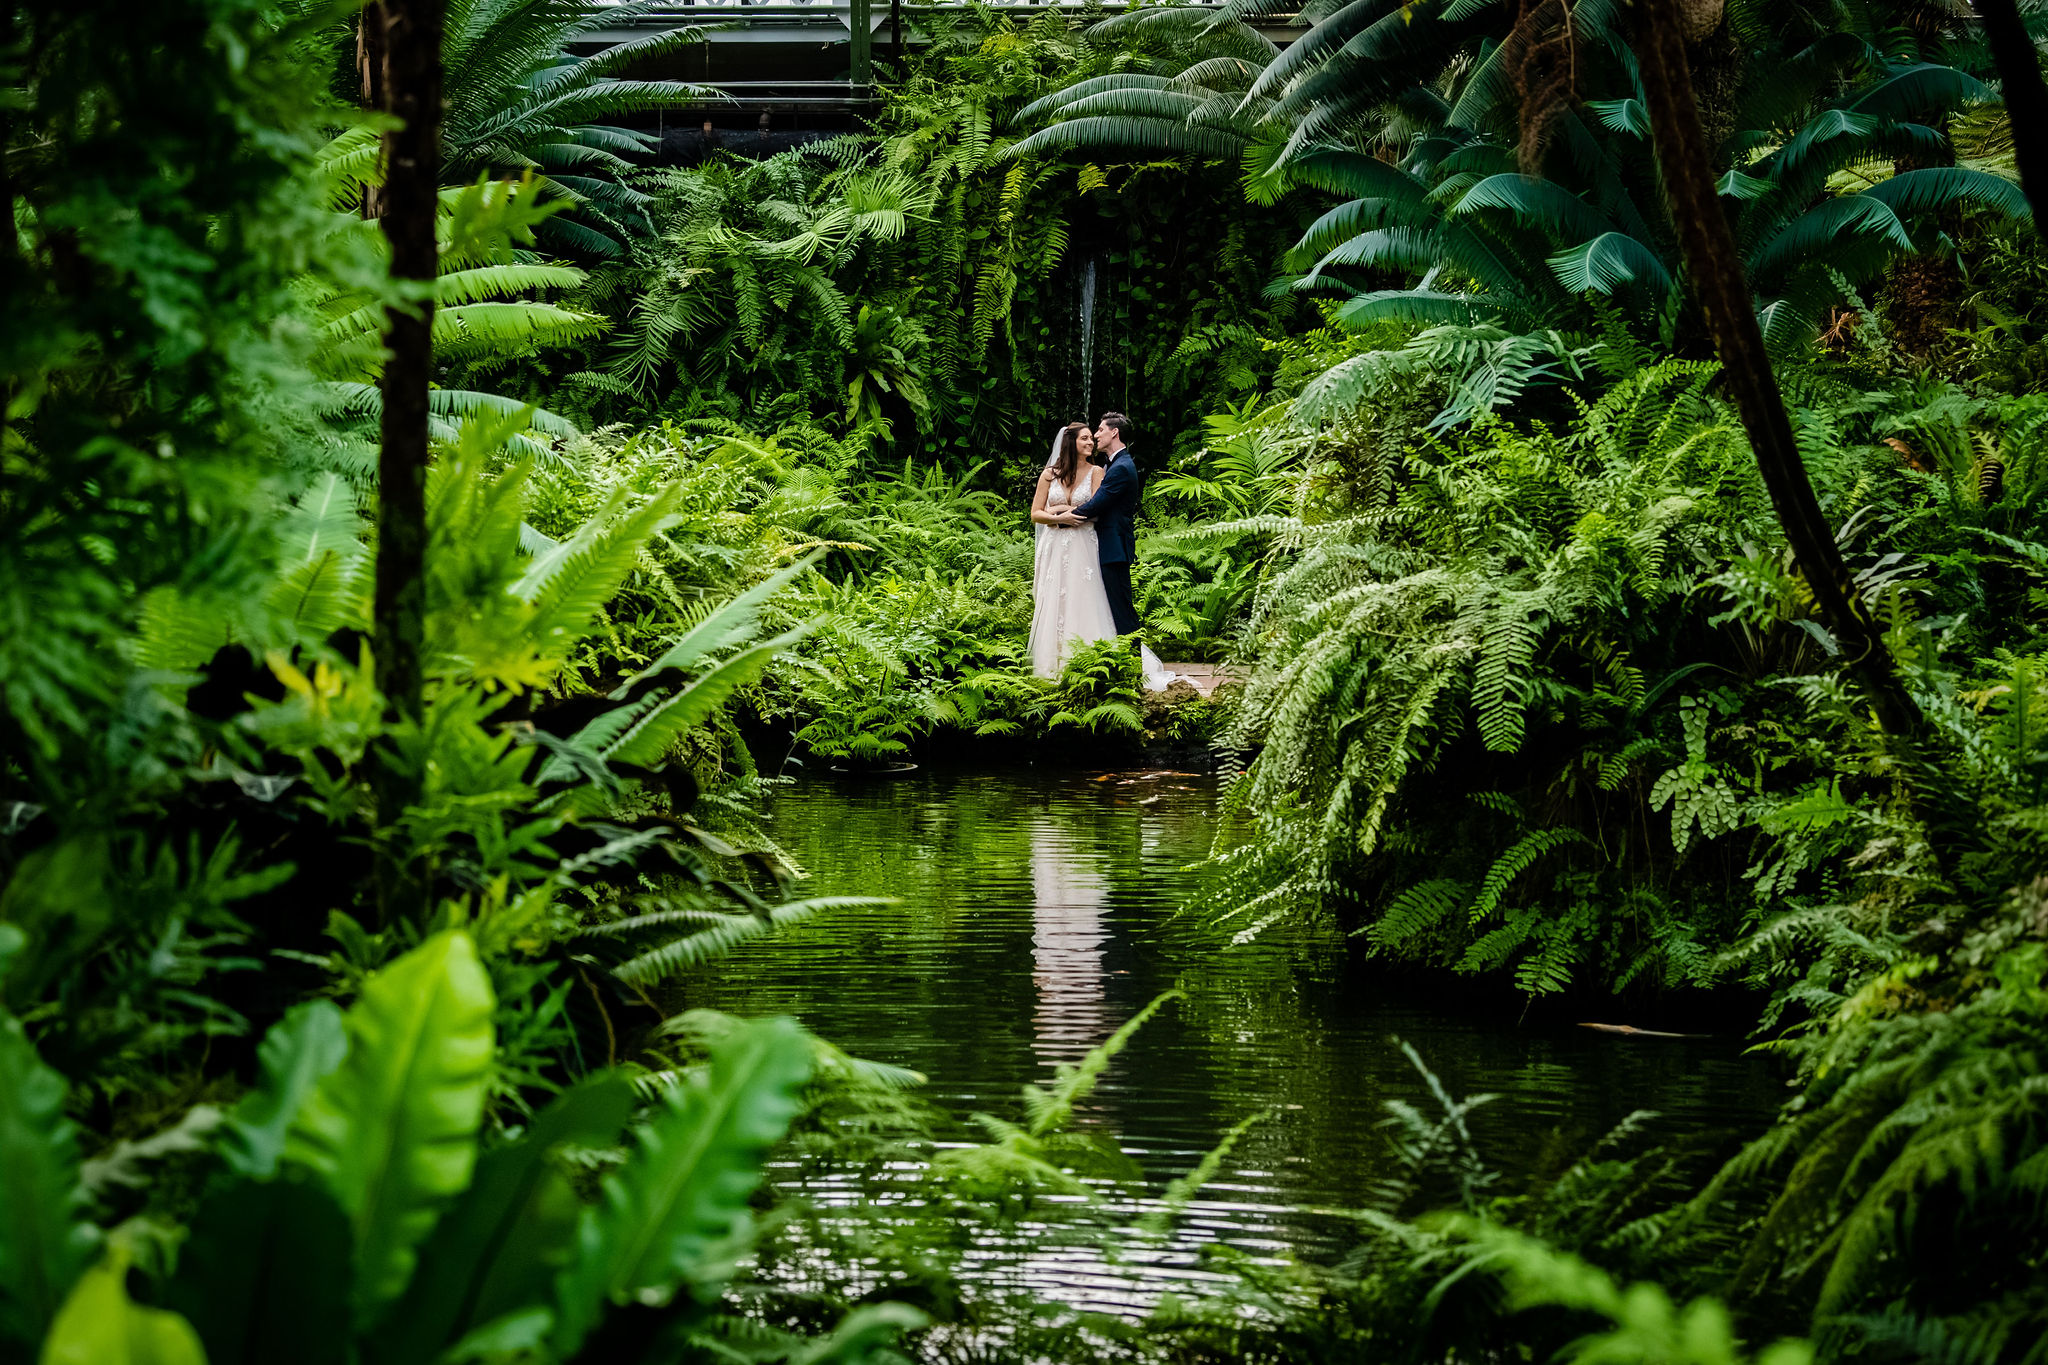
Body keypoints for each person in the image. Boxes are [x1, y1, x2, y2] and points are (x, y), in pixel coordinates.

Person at [1027, 422, 1118, 678]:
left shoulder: (1096, 472)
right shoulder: (1049, 474)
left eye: (1092, 439)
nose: (1091, 443)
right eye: (1085, 439)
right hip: (1054, 544)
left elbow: (1097, 512)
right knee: (1055, 597)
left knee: (1082, 597)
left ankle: (1085, 661)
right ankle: (1051, 664)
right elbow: (1036, 513)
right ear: (1071, 443)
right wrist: (1057, 516)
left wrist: (1062, 513)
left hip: (1082, 543)